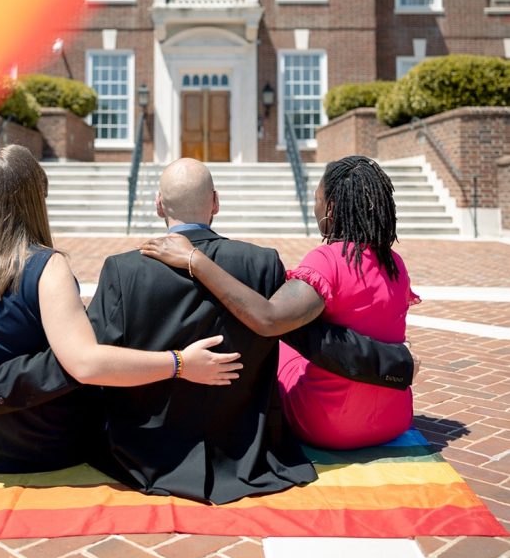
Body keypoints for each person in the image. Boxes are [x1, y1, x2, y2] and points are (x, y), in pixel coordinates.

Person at [0, 157, 415, 502]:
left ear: (157, 206)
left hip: (145, 451)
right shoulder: (262, 263)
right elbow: (308, 337)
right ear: (215, 203)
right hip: (246, 451)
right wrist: (396, 364)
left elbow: (83, 363)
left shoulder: (123, 270)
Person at [0, 145, 241, 474]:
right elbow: (83, 363)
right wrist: (179, 363)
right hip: (47, 443)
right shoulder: (46, 267)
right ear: (37, 198)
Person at [141, 155, 420, 450]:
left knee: (278, 345)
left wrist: (193, 260)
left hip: (329, 426)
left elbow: (269, 319)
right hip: (394, 420)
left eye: (317, 199)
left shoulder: (329, 259)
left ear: (332, 209)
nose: (314, 208)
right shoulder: (395, 264)